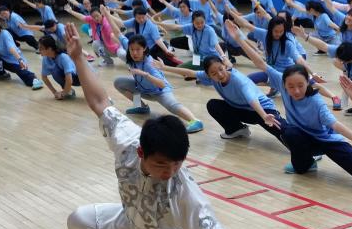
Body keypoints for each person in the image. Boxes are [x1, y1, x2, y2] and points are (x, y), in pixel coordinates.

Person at [64, 22, 319, 229]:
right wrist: (79, 58)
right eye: (161, 164)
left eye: (177, 163)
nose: (169, 171)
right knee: (79, 220)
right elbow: (100, 101)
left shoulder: (182, 188)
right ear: (141, 152)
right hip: (129, 223)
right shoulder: (126, 140)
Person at [227, 20, 352, 183]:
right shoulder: (282, 84)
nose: (296, 90)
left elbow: (335, 125)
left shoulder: (316, 102)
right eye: (291, 86)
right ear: (283, 85)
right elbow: (260, 63)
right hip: (303, 138)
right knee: (289, 132)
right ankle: (307, 163)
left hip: (326, 141)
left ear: (308, 83)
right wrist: (239, 38)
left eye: (300, 85)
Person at [154, 55, 285, 141]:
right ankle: (237, 130)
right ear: (208, 75)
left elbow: (252, 99)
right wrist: (164, 67)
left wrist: (264, 115)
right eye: (214, 73)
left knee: (286, 134)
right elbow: (190, 73)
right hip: (241, 110)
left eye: (221, 69)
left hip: (262, 110)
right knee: (213, 105)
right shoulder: (210, 76)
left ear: (224, 65)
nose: (220, 74)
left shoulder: (239, 80)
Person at [113, 33, 203, 133]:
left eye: (138, 49)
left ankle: (195, 121)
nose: (134, 53)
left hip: (159, 91)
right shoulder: (130, 53)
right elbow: (120, 34)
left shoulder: (150, 64)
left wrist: (145, 74)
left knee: (172, 105)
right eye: (132, 49)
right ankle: (141, 107)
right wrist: (107, 16)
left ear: (144, 49)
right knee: (119, 82)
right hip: (143, 88)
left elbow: (162, 84)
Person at [292, 26, 352, 116]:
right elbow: (324, 46)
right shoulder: (345, 50)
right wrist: (305, 36)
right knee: (351, 90)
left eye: (343, 61)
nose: (341, 62)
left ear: (349, 59)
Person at [155, 10, 227, 70]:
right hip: (198, 57)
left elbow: (216, 45)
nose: (200, 25)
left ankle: (205, 71)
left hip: (211, 58)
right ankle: (198, 72)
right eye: (197, 23)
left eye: (202, 22)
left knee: (209, 70)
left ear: (205, 21)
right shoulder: (191, 27)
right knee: (180, 69)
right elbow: (176, 27)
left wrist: (223, 57)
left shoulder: (209, 30)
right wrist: (158, 23)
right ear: (193, 22)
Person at [112, 6, 182, 67]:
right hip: (145, 50)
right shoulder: (134, 21)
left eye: (143, 17)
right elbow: (121, 24)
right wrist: (107, 15)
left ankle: (188, 70)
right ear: (135, 17)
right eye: (139, 18)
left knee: (172, 64)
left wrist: (166, 50)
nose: (141, 20)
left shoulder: (151, 25)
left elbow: (157, 40)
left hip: (157, 49)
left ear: (146, 15)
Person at [38, 35, 80, 100]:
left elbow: (69, 80)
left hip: (82, 77)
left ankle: (67, 91)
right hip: (72, 78)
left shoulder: (63, 57)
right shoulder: (46, 58)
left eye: (41, 48)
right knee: (55, 71)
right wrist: (55, 92)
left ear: (49, 49)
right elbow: (44, 77)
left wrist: (63, 94)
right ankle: (69, 91)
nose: (39, 50)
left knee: (91, 97)